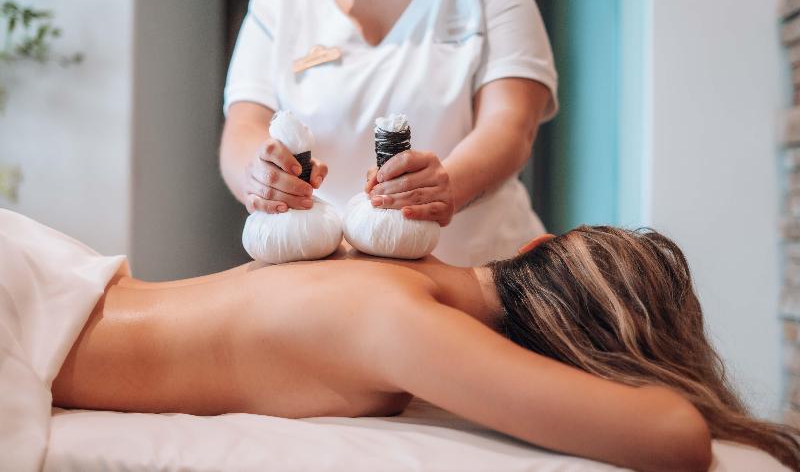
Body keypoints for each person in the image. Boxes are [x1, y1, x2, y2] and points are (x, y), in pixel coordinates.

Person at [43, 220, 799, 471]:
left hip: (58, 281)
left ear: (533, 245)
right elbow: (679, 439)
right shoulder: (404, 324)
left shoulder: (376, 261)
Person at [220, 0, 559, 266]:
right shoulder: (277, 9)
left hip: (484, 268)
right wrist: (262, 176)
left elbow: (509, 125)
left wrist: (446, 187)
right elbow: (243, 129)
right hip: (335, 285)